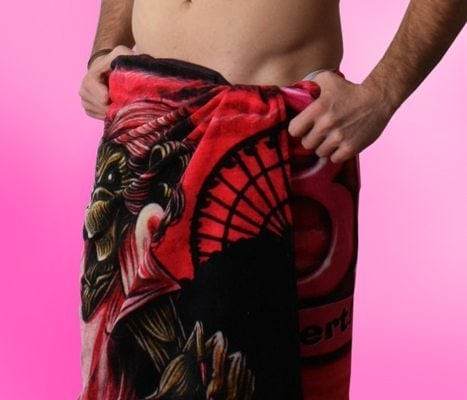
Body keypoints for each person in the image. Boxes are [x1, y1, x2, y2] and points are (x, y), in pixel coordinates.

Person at [77, 1, 466, 400]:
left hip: (270, 134)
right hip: (140, 128)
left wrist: (382, 93)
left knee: (251, 378)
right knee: (124, 378)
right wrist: (105, 50)